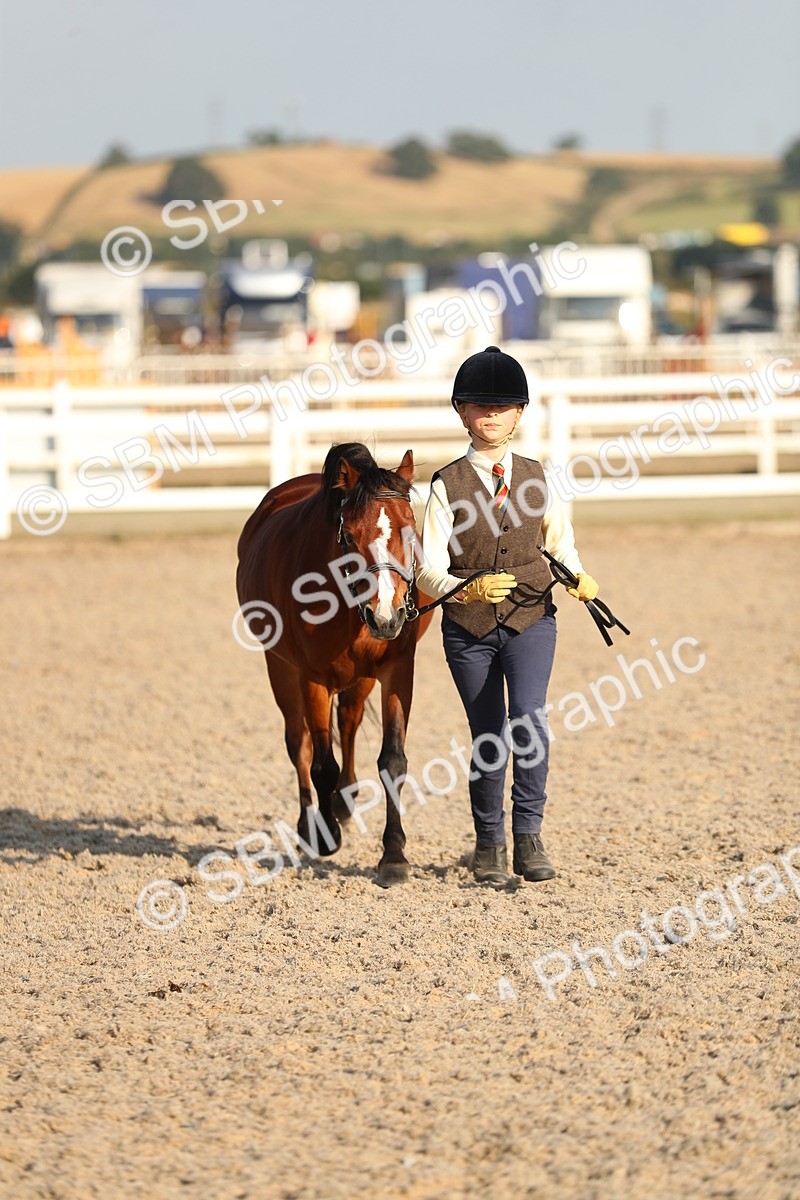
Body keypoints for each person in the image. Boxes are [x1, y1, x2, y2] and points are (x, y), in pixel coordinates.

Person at [415, 345, 599, 886]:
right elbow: (426, 568)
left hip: (531, 619)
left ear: (518, 413)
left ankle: (529, 837)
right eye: (477, 405)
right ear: (462, 412)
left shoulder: (539, 476)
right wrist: (464, 593)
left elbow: (559, 543)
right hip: (467, 630)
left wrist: (580, 576)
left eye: (500, 406)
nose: (489, 414)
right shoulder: (445, 485)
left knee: (530, 722)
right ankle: (489, 844)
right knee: (488, 734)